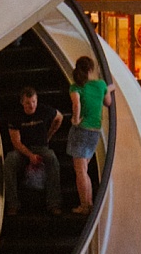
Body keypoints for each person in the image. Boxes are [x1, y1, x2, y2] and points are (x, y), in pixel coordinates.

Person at [6, 85, 63, 214]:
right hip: (23, 150)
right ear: (22, 103)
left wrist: (50, 134)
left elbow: (59, 117)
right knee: (10, 160)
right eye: (28, 103)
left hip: (41, 147)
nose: (32, 106)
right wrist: (30, 155)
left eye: (34, 102)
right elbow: (16, 142)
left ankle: (54, 203)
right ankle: (12, 204)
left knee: (52, 158)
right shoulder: (15, 116)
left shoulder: (43, 110)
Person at [68, 55, 113, 213]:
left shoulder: (76, 87)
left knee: (80, 170)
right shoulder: (100, 85)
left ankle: (85, 205)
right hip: (95, 131)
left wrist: (75, 119)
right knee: (84, 168)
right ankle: (89, 202)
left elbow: (76, 103)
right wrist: (110, 88)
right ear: (91, 69)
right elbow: (108, 102)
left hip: (82, 130)